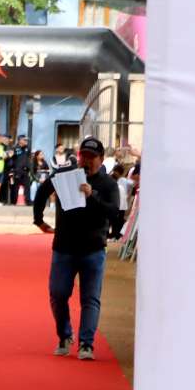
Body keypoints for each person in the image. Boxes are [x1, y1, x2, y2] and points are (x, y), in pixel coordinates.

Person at [32, 138, 120, 361]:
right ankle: (64, 335)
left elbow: (114, 213)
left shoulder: (108, 184)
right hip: (64, 247)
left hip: (93, 249)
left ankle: (86, 344)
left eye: (92, 157)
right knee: (58, 293)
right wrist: (39, 220)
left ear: (101, 159)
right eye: (84, 156)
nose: (87, 160)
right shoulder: (65, 175)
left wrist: (93, 196)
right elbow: (42, 192)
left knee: (90, 298)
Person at [110, 164, 132, 239]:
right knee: (116, 221)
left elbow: (132, 184)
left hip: (120, 204)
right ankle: (115, 234)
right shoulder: (120, 183)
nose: (114, 172)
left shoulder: (122, 182)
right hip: (120, 204)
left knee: (117, 221)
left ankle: (116, 235)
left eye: (115, 171)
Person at [9, 135, 31, 205]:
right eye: (24, 140)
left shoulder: (27, 148)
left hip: (25, 170)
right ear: (20, 140)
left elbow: (28, 157)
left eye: (26, 140)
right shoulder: (15, 148)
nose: (26, 141)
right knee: (15, 187)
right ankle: (14, 201)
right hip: (17, 170)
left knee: (27, 186)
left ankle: (27, 201)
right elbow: (12, 157)